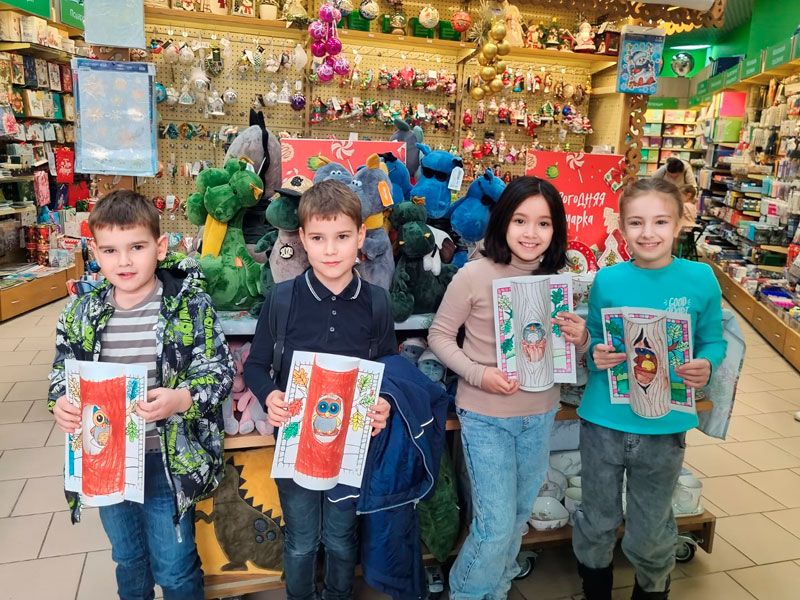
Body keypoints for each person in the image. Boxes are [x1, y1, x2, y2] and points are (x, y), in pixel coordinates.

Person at [48, 190, 235, 599]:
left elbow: (220, 370)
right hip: (106, 459)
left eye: (137, 247)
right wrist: (61, 401)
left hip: (168, 461)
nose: (125, 261)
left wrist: (181, 399)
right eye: (110, 250)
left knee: (175, 565)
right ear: (94, 253)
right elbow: (63, 371)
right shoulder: (80, 314)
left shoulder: (189, 306)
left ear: (160, 247)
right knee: (128, 557)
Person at [428, 176, 590, 600]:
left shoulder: (556, 280)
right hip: (487, 417)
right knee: (495, 525)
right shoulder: (473, 274)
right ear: (502, 221)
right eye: (520, 220)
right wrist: (478, 373)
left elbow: (563, 346)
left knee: (518, 518)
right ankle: (465, 594)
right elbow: (439, 336)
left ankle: (496, 590)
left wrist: (581, 338)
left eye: (543, 223)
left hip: (539, 414)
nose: (531, 233)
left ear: (556, 230)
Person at [572, 178, 727, 600]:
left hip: (665, 427)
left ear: (679, 224)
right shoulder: (608, 280)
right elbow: (595, 338)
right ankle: (595, 589)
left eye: (660, 221)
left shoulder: (701, 278)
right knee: (597, 518)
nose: (648, 233)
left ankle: (653, 588)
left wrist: (706, 364)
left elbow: (713, 340)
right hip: (604, 421)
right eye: (636, 222)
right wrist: (596, 353)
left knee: (651, 525)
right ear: (621, 227)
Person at [244, 179, 396, 600]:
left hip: (351, 447)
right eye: (318, 238)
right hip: (294, 446)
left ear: (361, 236)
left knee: (342, 539)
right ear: (302, 239)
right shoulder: (282, 299)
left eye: (342, 237)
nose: (331, 250)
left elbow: (389, 366)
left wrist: (384, 401)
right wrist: (270, 395)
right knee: (301, 541)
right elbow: (255, 365)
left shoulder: (377, 303)